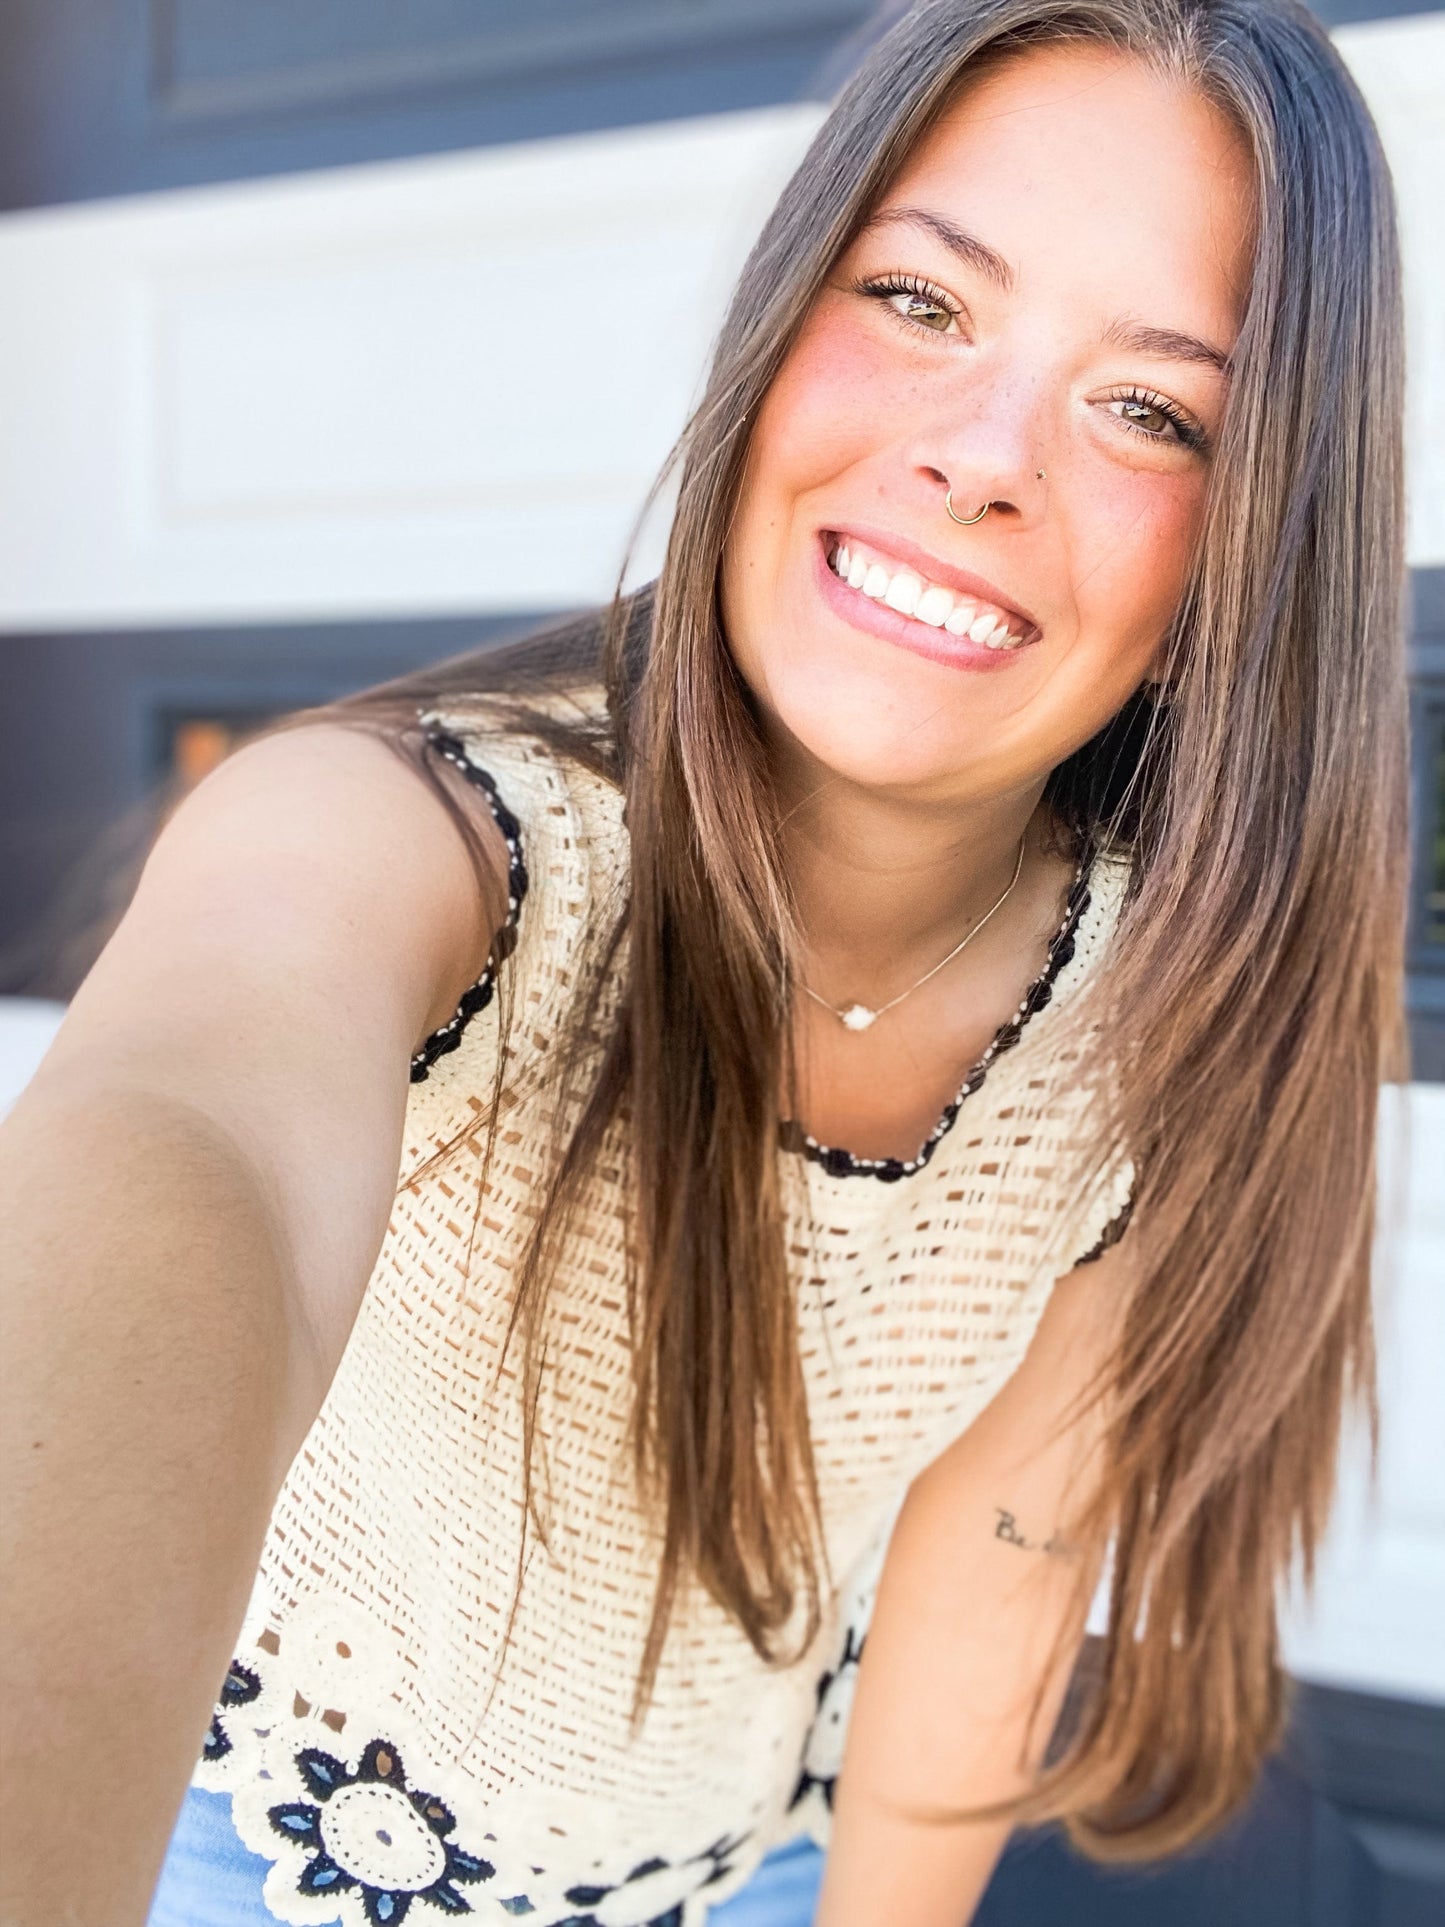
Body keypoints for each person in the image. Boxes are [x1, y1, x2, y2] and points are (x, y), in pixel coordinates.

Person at [0, 1, 1409, 1923]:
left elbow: (990, 1567)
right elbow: (186, 1157)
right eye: (919, 302)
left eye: (1152, 408)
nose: (979, 458)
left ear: (1226, 577)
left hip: (744, 1866)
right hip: (227, 1844)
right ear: (770, 342)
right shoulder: (392, 838)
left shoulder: (1154, 1008)